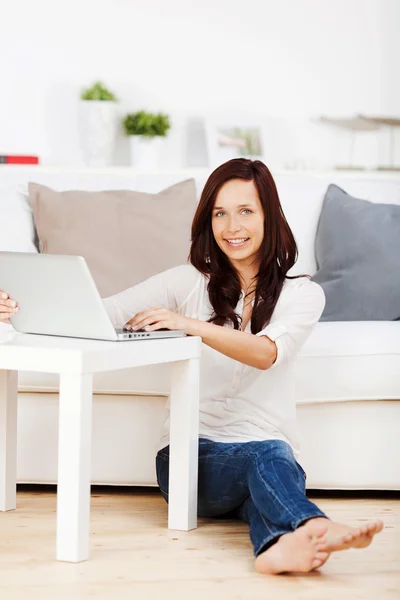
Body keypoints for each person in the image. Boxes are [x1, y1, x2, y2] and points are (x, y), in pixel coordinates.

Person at [0, 159, 383, 574]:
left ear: (270, 217)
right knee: (271, 458)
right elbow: (103, 312)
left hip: (267, 459)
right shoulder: (188, 281)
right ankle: (315, 523)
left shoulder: (303, 294)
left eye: (245, 211)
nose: (231, 226)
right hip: (189, 461)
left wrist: (188, 325)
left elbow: (265, 352)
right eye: (220, 213)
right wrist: (17, 308)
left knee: (269, 472)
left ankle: (277, 548)